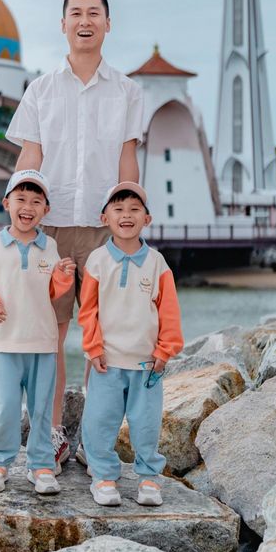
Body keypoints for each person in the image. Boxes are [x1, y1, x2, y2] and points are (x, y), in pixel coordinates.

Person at [5, 0, 144, 467]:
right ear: (63, 24)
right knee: (51, 332)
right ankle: (52, 432)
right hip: (54, 229)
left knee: (103, 334)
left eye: (94, 13)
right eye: (76, 13)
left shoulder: (128, 91)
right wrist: (23, 218)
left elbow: (128, 159)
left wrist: (128, 220)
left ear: (108, 23)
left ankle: (94, 436)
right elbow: (30, 158)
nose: (85, 21)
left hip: (105, 229)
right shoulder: (40, 90)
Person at [0, 169, 76, 495]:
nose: (27, 207)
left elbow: (54, 292)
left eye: (36, 201)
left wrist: (64, 276)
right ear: (6, 203)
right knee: (4, 407)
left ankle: (41, 466)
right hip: (5, 344)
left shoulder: (50, 246)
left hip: (44, 343)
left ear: (46, 210)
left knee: (42, 408)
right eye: (21, 199)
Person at [78, 182, 184, 506]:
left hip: (147, 363)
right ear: (104, 217)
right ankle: (104, 477)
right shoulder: (97, 261)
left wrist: (165, 350)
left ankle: (150, 479)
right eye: (118, 209)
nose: (127, 215)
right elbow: (88, 311)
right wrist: (93, 348)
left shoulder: (157, 262)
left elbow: (169, 312)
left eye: (135, 209)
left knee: (146, 424)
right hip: (107, 361)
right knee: (99, 420)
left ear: (147, 219)